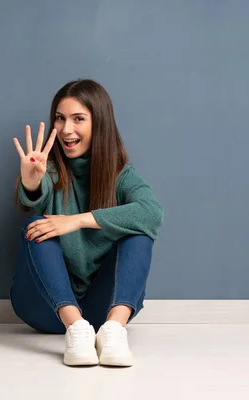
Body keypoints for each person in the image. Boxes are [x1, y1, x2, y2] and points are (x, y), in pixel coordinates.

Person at [10, 79, 164, 367]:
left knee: (139, 234)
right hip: (45, 308)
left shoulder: (122, 176)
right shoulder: (50, 170)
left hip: (102, 312)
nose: (66, 129)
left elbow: (152, 213)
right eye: (60, 118)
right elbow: (36, 191)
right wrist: (31, 183)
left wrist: (76, 221)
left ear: (100, 124)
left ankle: (115, 331)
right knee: (36, 226)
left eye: (78, 119)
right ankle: (76, 329)